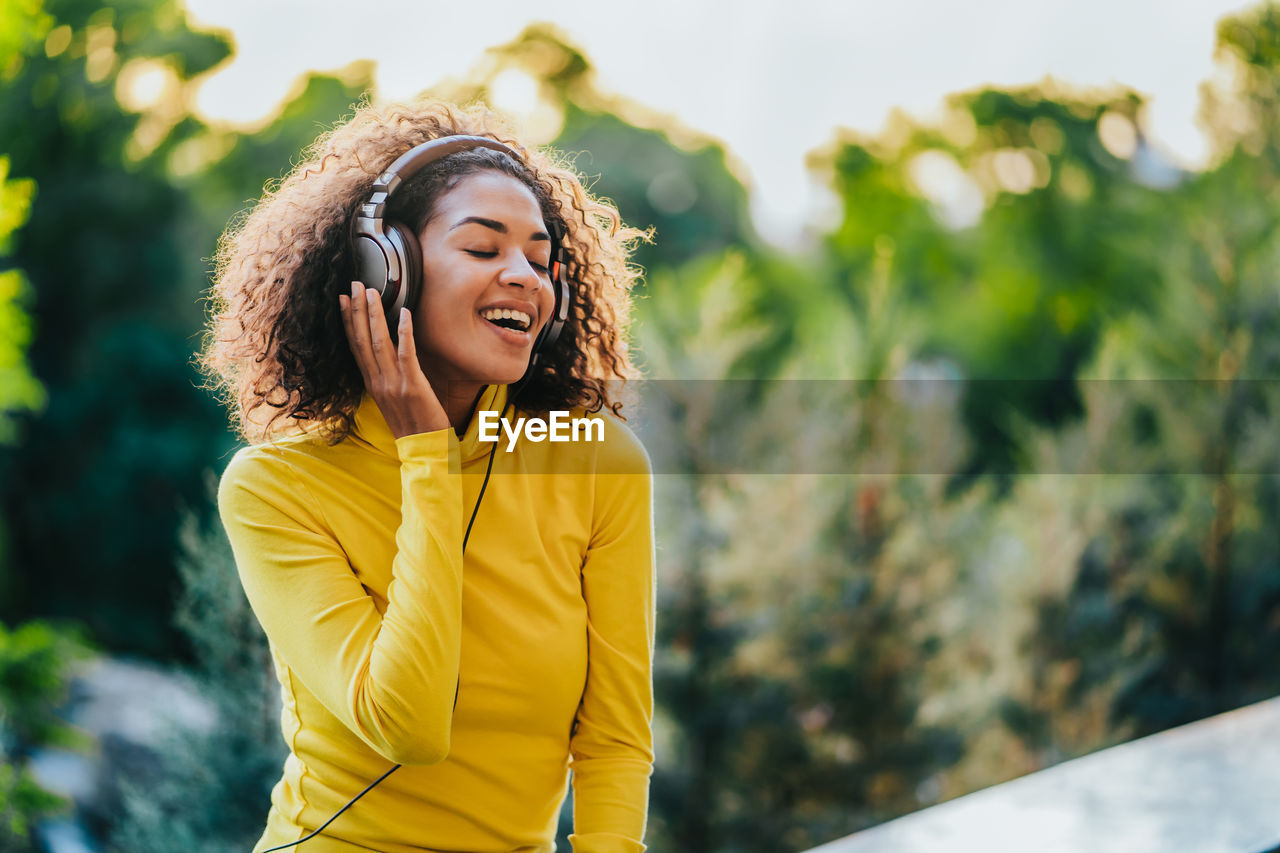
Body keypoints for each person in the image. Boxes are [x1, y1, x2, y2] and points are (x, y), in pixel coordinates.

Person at [201, 98, 656, 853]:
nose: (525, 279)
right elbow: (407, 723)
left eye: (541, 262)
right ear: (390, 271)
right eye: (483, 249)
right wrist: (427, 458)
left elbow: (614, 738)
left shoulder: (596, 461)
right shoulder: (273, 487)